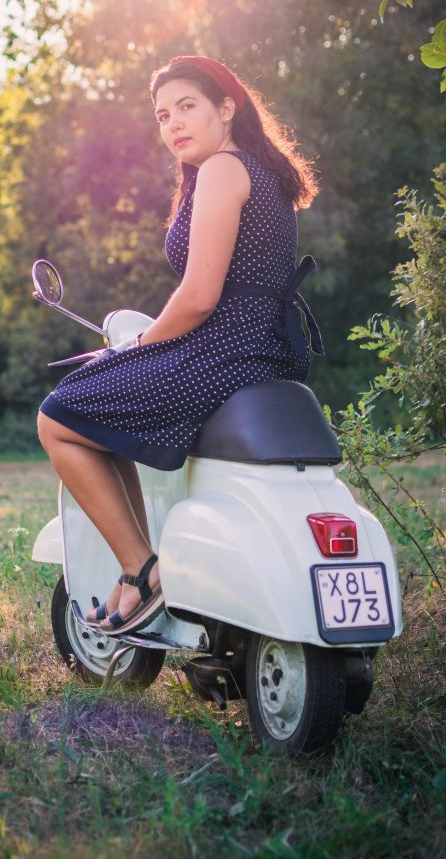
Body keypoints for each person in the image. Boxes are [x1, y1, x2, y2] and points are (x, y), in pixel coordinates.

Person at [37, 54, 320, 637]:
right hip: (259, 349)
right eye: (163, 116)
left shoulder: (223, 168)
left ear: (226, 107)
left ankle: (142, 569)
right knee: (101, 413)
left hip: (225, 349)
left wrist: (134, 346)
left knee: (58, 415)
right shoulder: (259, 172)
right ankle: (138, 569)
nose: (173, 125)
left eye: (187, 107)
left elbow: (197, 299)